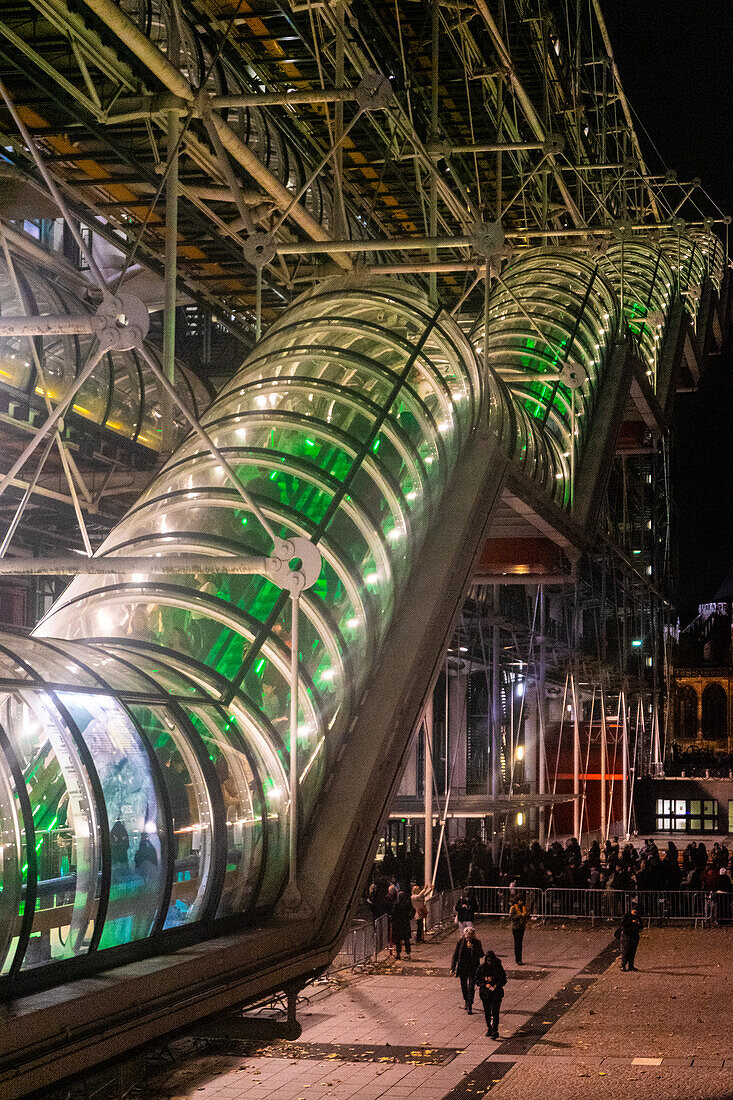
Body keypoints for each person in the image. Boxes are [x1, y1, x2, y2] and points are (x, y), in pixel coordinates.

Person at [450, 926, 484, 1013]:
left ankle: (469, 1004)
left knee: (471, 986)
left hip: (473, 967)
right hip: (463, 967)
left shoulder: (477, 942)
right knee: (464, 985)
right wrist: (453, 968)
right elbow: (456, 955)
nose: (468, 938)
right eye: (467, 936)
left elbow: (481, 954)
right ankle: (466, 1000)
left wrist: (473, 948)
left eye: (470, 936)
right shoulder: (461, 942)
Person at [476, 950, 507, 1038]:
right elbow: (477, 979)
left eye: (491, 960)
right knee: (487, 1012)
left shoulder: (498, 968)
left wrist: (497, 985)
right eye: (488, 961)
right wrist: (485, 985)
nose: (489, 962)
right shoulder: (482, 968)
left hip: (496, 994)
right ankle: (489, 1027)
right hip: (485, 994)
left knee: (495, 1011)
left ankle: (495, 1030)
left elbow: (503, 979)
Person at [391, 890, 415, 959]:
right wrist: (410, 917)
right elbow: (413, 910)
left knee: (398, 940)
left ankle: (398, 953)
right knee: (406, 939)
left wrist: (393, 920)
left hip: (398, 923)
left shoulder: (396, 904)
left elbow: (393, 913)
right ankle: (408, 953)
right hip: (405, 923)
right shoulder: (407, 904)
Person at [508, 893, 530, 965]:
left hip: (521, 927)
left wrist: (526, 915)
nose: (522, 902)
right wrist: (520, 915)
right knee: (517, 943)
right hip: (516, 927)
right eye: (520, 901)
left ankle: (520, 958)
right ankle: (517, 959)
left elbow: (526, 915)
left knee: (520, 943)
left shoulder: (523, 907)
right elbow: (511, 917)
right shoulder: (513, 908)